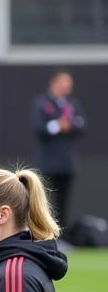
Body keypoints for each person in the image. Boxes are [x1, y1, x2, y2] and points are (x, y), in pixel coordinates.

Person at [31, 69, 86, 228]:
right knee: (46, 200)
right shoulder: (41, 103)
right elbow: (38, 127)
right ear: (54, 82)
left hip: (67, 163)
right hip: (48, 163)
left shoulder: (72, 103)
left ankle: (62, 236)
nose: (68, 85)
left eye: (69, 82)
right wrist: (57, 125)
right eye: (64, 81)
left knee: (63, 202)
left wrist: (69, 125)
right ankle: (45, 233)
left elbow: (81, 125)